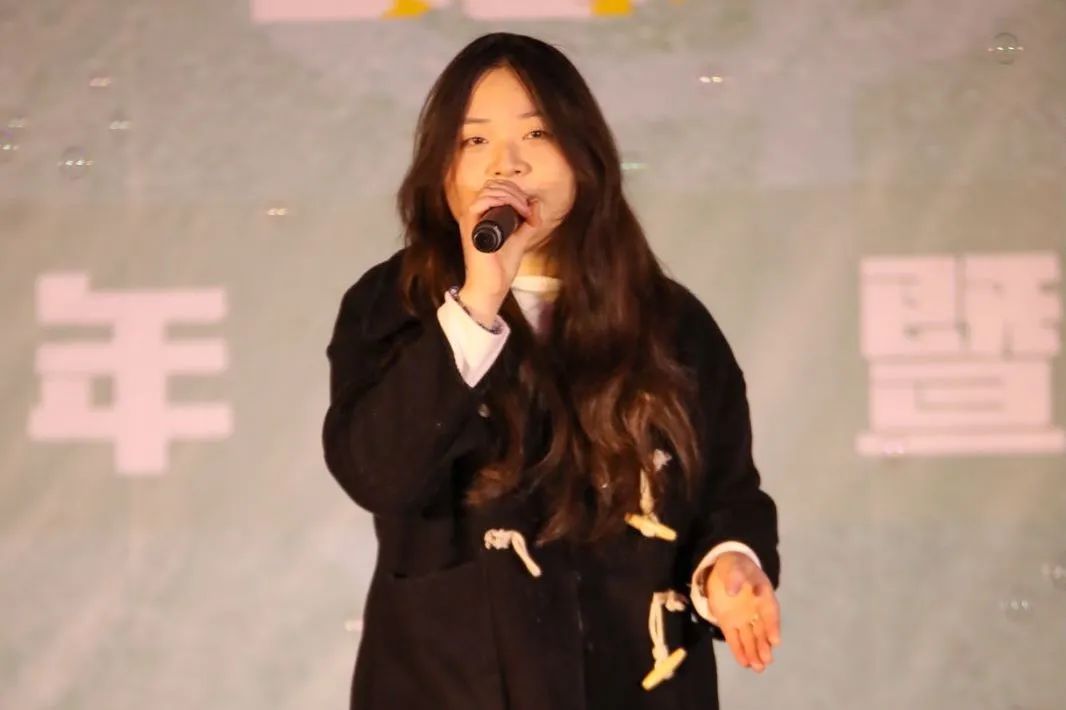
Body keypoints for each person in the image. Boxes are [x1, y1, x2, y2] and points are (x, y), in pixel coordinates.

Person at [322, 31, 781, 710]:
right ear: (441, 169)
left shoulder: (669, 321)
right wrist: (478, 299)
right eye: (474, 140)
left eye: (535, 135)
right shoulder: (397, 305)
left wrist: (730, 564)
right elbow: (376, 471)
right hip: (452, 685)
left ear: (583, 154)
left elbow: (727, 491)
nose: (506, 164)